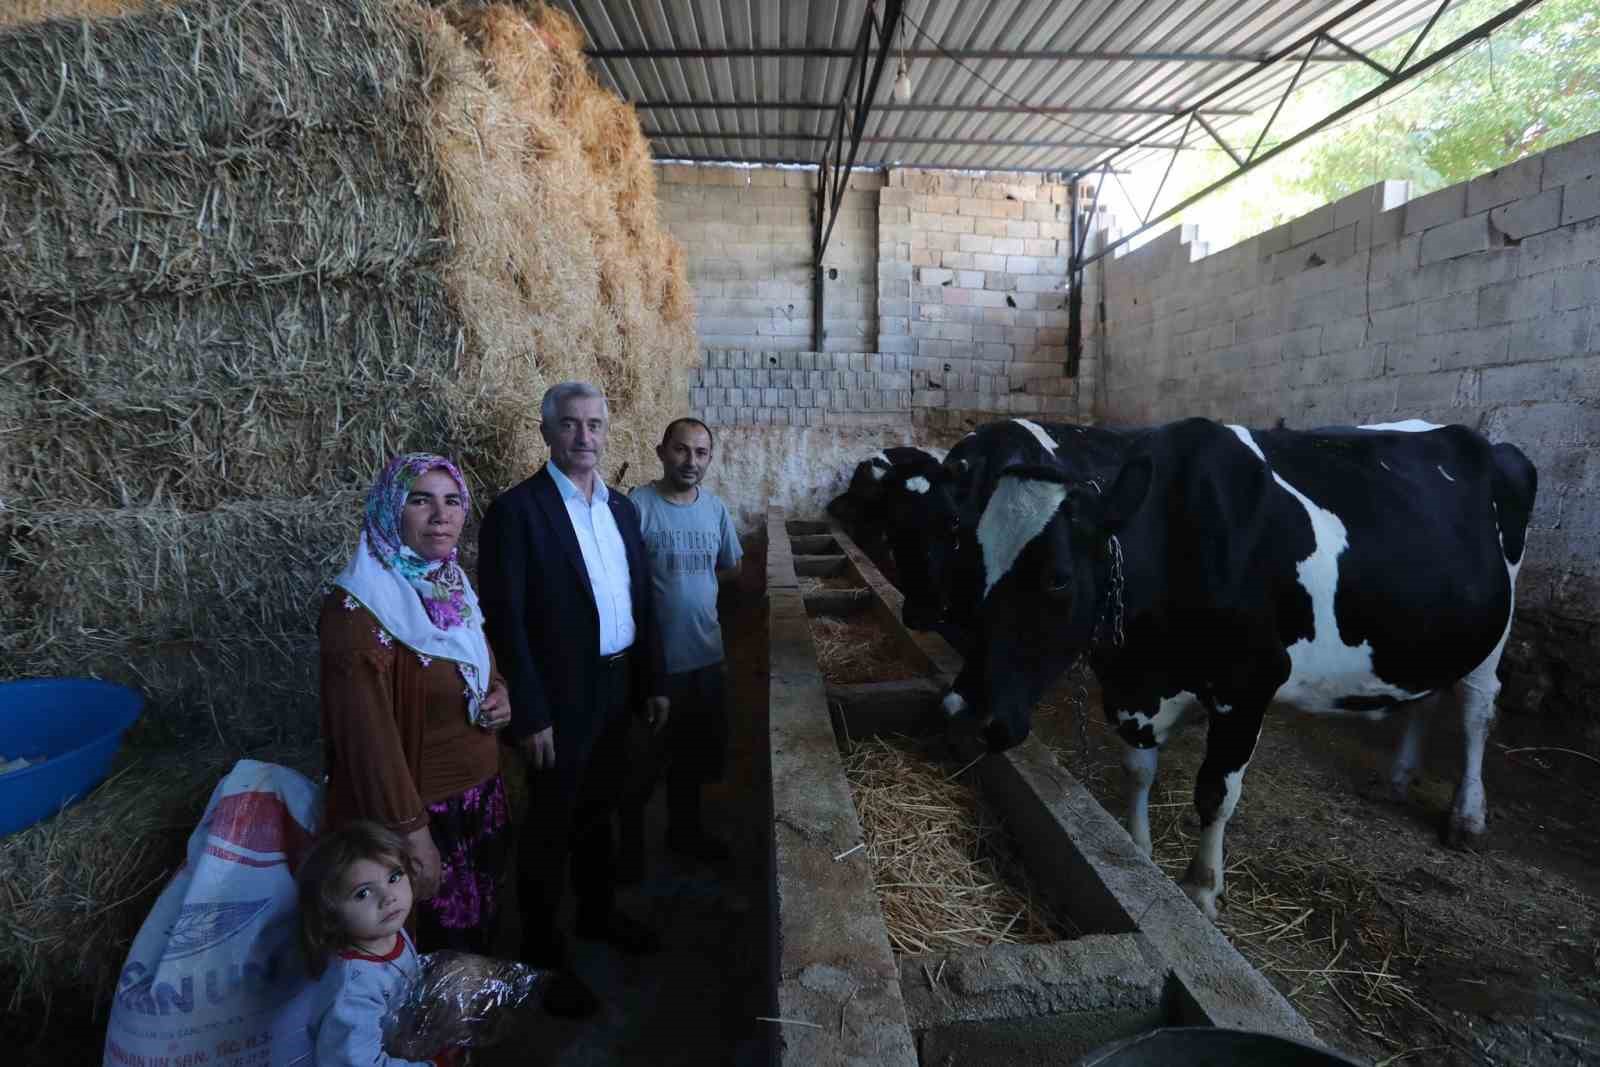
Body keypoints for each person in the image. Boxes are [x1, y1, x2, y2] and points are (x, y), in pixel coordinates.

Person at [477, 381, 668, 1020]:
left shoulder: (620, 509)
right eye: (570, 425)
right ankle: (541, 955)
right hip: (558, 699)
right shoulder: (518, 512)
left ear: (608, 431)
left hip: (617, 686)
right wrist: (529, 713)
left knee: (603, 807)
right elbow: (506, 621)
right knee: (551, 823)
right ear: (546, 433)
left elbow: (641, 599)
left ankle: (597, 915)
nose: (584, 437)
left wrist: (652, 681)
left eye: (595, 425)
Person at [320, 454, 513, 955]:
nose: (441, 515)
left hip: (477, 799)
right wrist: (411, 833)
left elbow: (477, 664)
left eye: (452, 502)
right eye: (420, 500)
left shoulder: (449, 585)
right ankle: (441, 1036)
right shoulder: (359, 610)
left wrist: (500, 693)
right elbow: (369, 741)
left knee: (479, 933)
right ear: (390, 510)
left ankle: (470, 1026)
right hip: (423, 816)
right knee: (433, 945)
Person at [620, 418, 742, 877]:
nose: (691, 461)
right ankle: (629, 857)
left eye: (701, 452)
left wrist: (696, 593)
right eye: (681, 450)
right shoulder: (638, 506)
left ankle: (684, 835)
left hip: (706, 659)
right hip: (655, 666)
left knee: (692, 759)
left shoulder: (714, 510)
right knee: (640, 765)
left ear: (710, 458)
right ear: (661, 451)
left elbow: (731, 567)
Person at [298, 820, 460, 1067]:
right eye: (363, 893)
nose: (388, 898)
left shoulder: (388, 931)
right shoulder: (353, 989)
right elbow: (357, 1063)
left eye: (394, 877)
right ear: (331, 915)